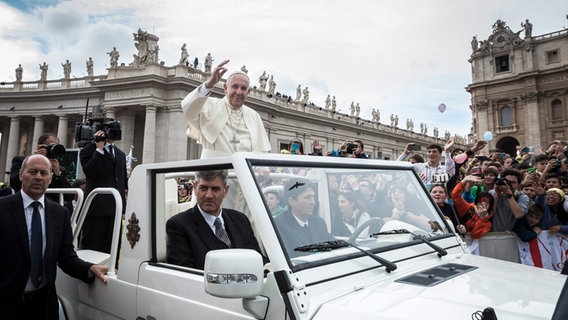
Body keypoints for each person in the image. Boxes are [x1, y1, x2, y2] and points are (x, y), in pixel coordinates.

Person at [0, 154, 108, 320]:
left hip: (43, 307)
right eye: (32, 171)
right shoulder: (3, 208)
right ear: (21, 175)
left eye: (44, 173)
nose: (38, 177)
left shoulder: (59, 213)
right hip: (6, 305)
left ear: (50, 178)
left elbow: (66, 258)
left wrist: (89, 268)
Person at [165, 170, 264, 269]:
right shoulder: (179, 225)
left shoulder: (240, 220)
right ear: (195, 188)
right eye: (203, 188)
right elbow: (183, 274)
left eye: (215, 189)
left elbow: (259, 260)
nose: (209, 195)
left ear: (225, 191)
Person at [181, 59, 271, 158]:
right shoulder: (209, 105)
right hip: (214, 171)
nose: (239, 92)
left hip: (244, 172)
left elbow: (261, 151)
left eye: (243, 88)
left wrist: (263, 169)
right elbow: (186, 107)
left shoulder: (254, 116)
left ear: (248, 92)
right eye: (234, 87)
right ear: (225, 88)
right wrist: (209, 84)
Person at [79, 130, 127, 253]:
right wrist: (99, 149)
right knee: (93, 247)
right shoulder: (89, 150)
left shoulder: (120, 154)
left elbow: (122, 181)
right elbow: (90, 172)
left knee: (113, 248)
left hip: (115, 208)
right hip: (96, 208)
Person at [275, 178, 335, 257]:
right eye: (307, 197)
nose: (313, 202)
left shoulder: (319, 222)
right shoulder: (279, 225)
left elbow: (334, 245)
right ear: (292, 201)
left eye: (313, 197)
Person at [9, 133, 71, 200]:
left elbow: (69, 197)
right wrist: (34, 159)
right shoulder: (20, 161)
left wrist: (58, 175)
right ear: (40, 146)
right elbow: (14, 184)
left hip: (49, 206)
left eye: (57, 146)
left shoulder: (60, 169)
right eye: (51, 146)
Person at [451, 174, 494, 239]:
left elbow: (475, 235)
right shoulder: (468, 208)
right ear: (476, 203)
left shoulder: (487, 224)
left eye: (486, 205)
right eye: (480, 203)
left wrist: (482, 218)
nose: (482, 207)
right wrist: (463, 182)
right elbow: (455, 195)